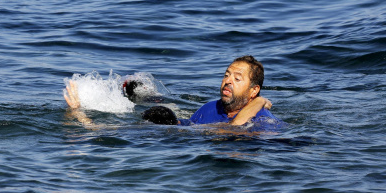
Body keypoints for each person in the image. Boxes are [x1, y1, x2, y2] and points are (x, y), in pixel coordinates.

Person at [64, 55, 283, 129]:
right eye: (226, 75)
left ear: (254, 91)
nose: (227, 81)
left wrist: (260, 102)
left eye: (237, 78)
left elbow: (235, 130)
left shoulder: (264, 121)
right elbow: (179, 128)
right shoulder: (210, 108)